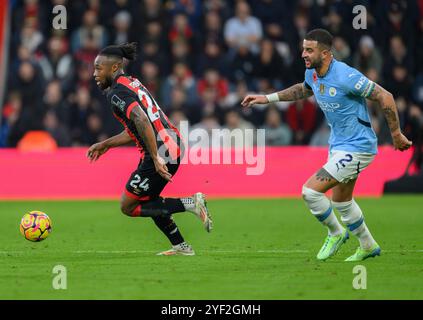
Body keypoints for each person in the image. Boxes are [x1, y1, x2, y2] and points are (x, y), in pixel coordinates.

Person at [242, 29, 412, 262]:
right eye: (303, 49)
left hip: (358, 146)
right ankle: (368, 245)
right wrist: (266, 98)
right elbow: (303, 90)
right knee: (341, 201)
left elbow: (385, 96)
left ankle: (336, 233)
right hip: (339, 145)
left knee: (310, 192)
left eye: (309, 50)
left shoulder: (346, 76)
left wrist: (396, 134)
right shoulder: (312, 73)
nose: (304, 54)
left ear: (326, 53)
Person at [87, 43, 212, 256]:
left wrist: (155, 157)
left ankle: (191, 203)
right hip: (171, 144)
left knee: (128, 206)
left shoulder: (117, 93)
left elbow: (141, 119)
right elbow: (137, 128)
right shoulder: (132, 82)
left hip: (161, 151)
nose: (94, 73)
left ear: (115, 67)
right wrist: (105, 144)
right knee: (148, 199)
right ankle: (181, 246)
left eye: (99, 68)